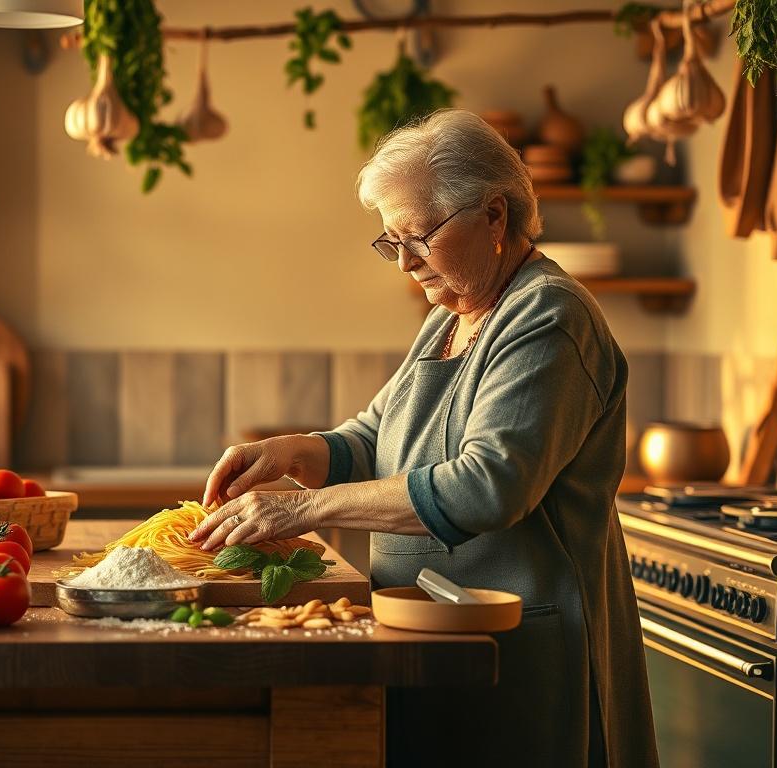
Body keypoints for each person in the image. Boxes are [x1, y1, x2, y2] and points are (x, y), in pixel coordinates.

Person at [189, 109, 657, 768]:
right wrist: (293, 451)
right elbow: (379, 437)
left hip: (520, 653)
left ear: (495, 216)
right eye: (390, 242)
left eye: (418, 237)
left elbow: (487, 488)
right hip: (436, 636)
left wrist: (303, 508)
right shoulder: (450, 315)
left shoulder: (550, 316)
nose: (405, 264)